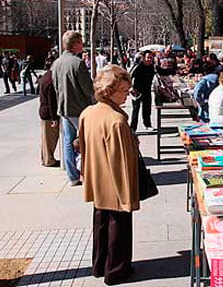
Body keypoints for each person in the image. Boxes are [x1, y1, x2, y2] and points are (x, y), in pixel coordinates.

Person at [78, 65, 140, 285]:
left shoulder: (88, 113)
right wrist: (128, 196)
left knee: (102, 222)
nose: (126, 95)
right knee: (119, 224)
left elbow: (83, 149)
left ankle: (100, 264)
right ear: (109, 90)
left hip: (97, 178)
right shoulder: (116, 120)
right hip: (115, 182)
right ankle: (116, 270)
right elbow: (123, 160)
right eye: (123, 91)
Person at [52, 31, 95, 186]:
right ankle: (88, 173)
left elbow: (56, 87)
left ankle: (73, 176)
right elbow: (88, 89)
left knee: (69, 142)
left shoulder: (56, 63)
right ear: (76, 43)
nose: (82, 44)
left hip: (64, 109)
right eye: (81, 42)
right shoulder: (78, 63)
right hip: (80, 109)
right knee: (88, 142)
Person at [39, 58, 60, 167]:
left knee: (45, 139)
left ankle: (45, 159)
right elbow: (52, 101)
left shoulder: (45, 77)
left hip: (44, 111)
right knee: (50, 139)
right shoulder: (51, 80)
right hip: (49, 113)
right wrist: (54, 118)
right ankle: (49, 160)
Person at [130, 50, 156, 131]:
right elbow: (129, 76)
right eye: (148, 57)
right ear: (144, 58)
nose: (149, 59)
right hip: (137, 91)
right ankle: (133, 128)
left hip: (147, 90)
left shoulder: (152, 67)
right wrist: (131, 88)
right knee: (135, 109)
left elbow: (157, 75)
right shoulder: (138, 66)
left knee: (147, 108)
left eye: (151, 58)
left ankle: (147, 124)